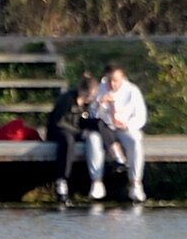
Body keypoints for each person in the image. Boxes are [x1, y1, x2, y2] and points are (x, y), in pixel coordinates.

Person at [86, 64, 148, 202]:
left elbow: (141, 117)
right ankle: (96, 182)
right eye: (109, 80)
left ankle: (135, 183)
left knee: (135, 142)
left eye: (115, 80)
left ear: (123, 78)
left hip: (124, 129)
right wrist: (100, 103)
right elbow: (91, 116)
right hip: (104, 129)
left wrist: (128, 125)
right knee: (92, 140)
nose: (112, 84)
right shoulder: (100, 89)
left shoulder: (132, 91)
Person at [46, 72, 99, 201]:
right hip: (59, 130)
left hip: (74, 130)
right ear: (82, 91)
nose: (90, 99)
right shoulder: (67, 99)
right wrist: (79, 133)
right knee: (68, 141)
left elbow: (82, 120)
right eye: (88, 96)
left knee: (97, 130)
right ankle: (61, 180)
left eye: (92, 96)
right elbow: (59, 122)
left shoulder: (86, 104)